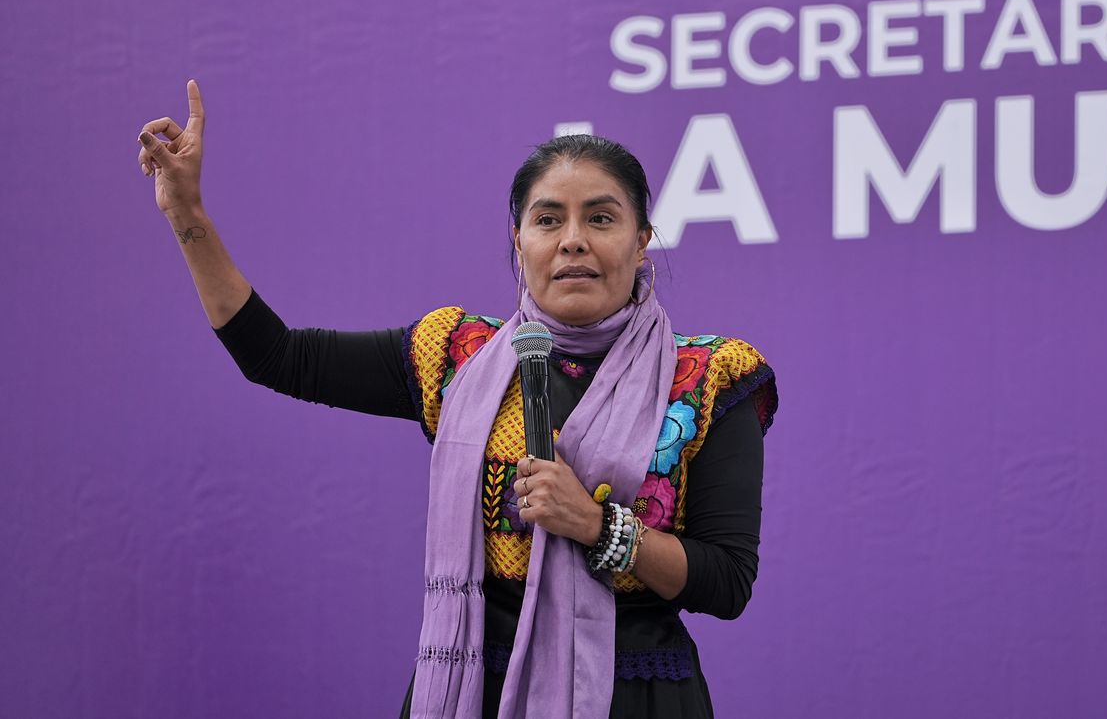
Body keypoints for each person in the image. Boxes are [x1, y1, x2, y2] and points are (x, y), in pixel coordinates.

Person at [137, 80, 777, 719]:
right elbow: (275, 355)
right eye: (547, 219)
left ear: (641, 243)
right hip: (472, 688)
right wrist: (187, 215)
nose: (572, 240)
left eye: (602, 218)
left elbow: (725, 583)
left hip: (637, 696)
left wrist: (595, 525)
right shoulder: (456, 357)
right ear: (519, 243)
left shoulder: (709, 376)